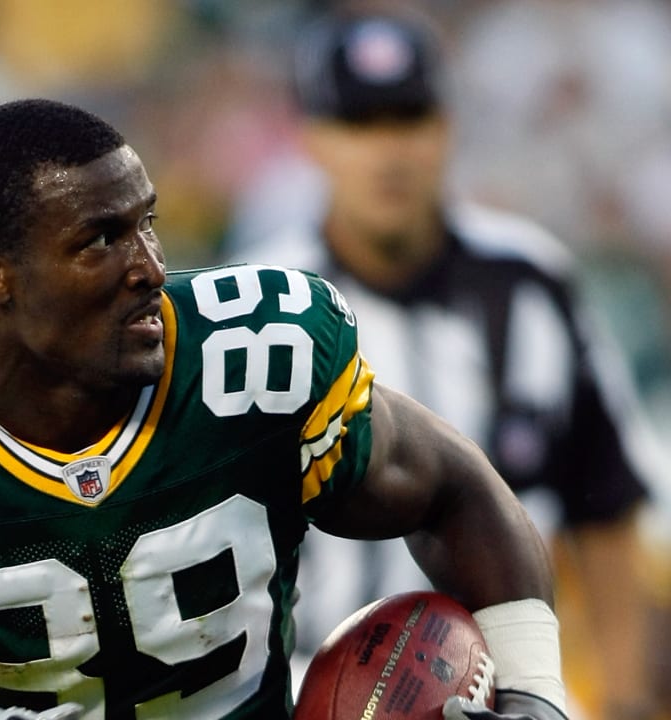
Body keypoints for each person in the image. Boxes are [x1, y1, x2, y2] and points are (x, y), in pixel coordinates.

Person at [0, 97, 569, 719]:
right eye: (99, 241)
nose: (148, 267)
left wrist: (534, 692)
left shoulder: (252, 359)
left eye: (147, 225)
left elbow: (454, 489)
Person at [228, 7, 656, 720]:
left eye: (409, 119)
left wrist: (628, 698)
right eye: (361, 125)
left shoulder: (531, 282)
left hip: (513, 677)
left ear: (447, 126)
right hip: (314, 681)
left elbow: (606, 501)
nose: (389, 152)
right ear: (312, 139)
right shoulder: (268, 306)